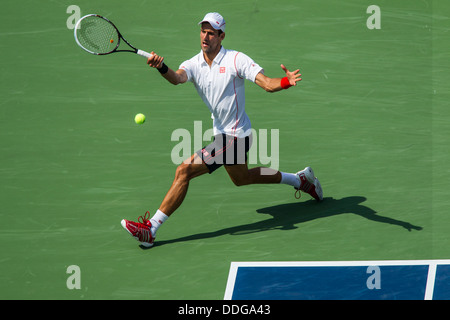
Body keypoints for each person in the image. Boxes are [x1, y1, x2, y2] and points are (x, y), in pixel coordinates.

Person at [121, 12, 323, 247]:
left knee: (183, 171)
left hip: (236, 137)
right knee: (242, 178)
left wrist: (286, 81)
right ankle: (300, 180)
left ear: (221, 36)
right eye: (203, 31)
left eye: (211, 33)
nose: (205, 37)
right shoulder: (193, 64)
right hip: (223, 135)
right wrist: (161, 67)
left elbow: (267, 84)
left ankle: (151, 228)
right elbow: (177, 78)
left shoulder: (236, 60)